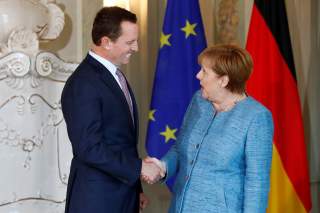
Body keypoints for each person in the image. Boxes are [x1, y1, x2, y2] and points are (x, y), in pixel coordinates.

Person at [143, 44, 274, 213]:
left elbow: (257, 183)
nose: (198, 75)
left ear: (223, 80)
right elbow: (180, 147)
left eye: (204, 71)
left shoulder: (256, 117)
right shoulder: (199, 100)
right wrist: (163, 167)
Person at [61, 6, 162, 213]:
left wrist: (136, 187)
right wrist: (139, 168)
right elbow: (88, 148)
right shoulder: (83, 82)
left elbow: (122, 142)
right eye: (130, 42)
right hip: (97, 200)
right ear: (106, 42)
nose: (136, 48)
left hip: (123, 194)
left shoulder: (114, 75)